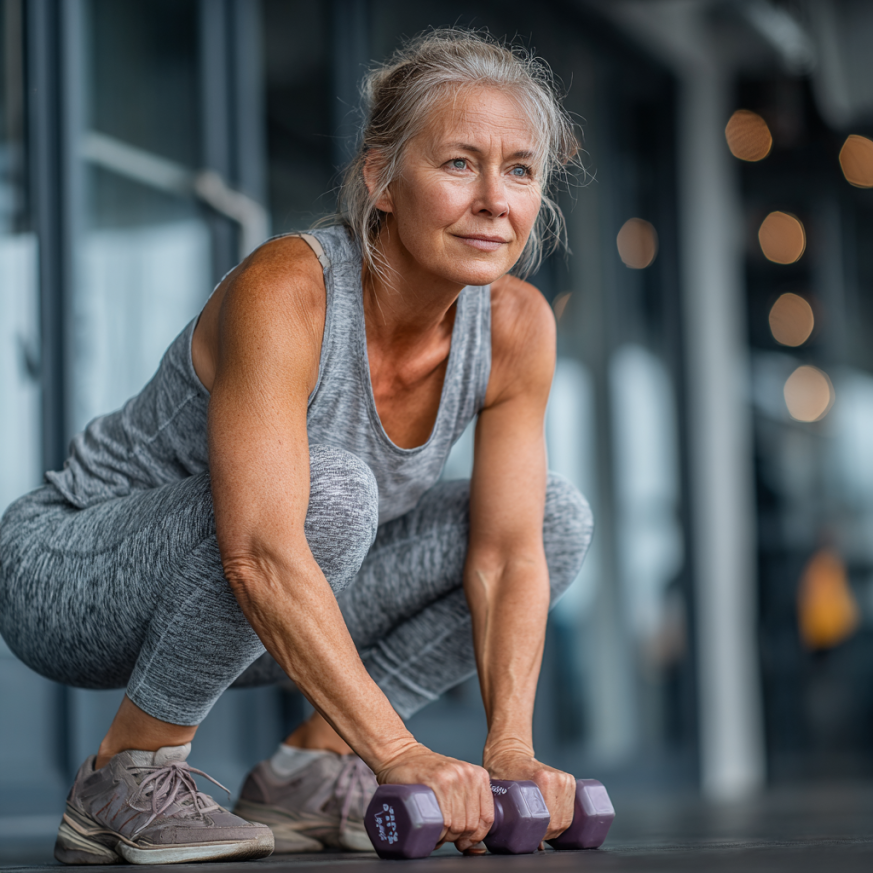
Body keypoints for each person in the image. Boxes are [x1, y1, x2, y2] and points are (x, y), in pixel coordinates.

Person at [0, 28, 593, 865]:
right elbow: (261, 553)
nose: (496, 200)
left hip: (275, 588)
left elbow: (506, 557)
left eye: (520, 170)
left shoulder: (516, 327)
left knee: (555, 517)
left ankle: (311, 769)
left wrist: (510, 751)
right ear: (379, 179)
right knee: (334, 491)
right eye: (459, 163)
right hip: (67, 569)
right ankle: (125, 773)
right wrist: (403, 755)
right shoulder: (290, 285)